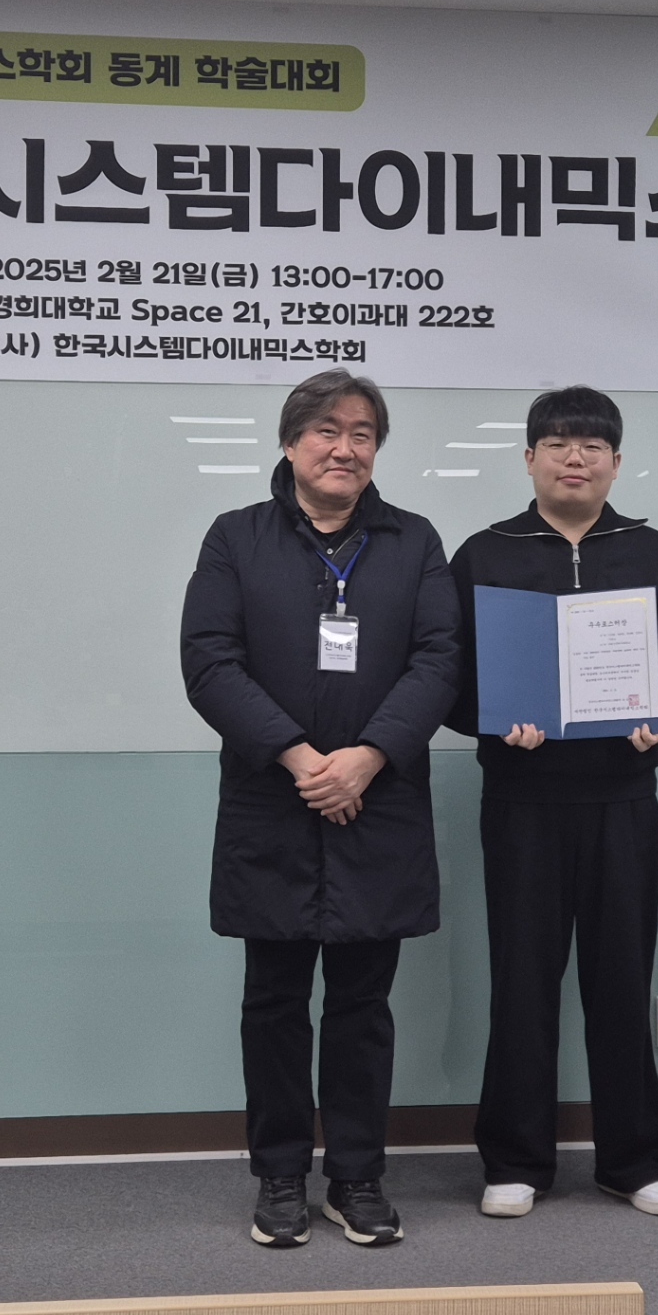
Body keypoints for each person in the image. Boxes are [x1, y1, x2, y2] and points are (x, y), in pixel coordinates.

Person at [179, 368, 460, 1249]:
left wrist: (367, 759)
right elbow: (209, 662)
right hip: (274, 801)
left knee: (363, 1004)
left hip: (380, 802)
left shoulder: (414, 541)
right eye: (327, 431)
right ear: (291, 442)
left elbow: (440, 659)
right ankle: (278, 1175)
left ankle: (357, 1176)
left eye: (363, 434)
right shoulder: (236, 538)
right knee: (273, 1000)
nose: (345, 448)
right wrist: (304, 759)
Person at [447, 385, 658, 1221]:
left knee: (620, 979)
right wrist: (495, 721)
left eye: (593, 446)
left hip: (622, 798)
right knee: (522, 981)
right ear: (529, 458)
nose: (576, 458)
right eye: (559, 444)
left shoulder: (649, 552)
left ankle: (633, 1161)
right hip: (521, 800)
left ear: (616, 462)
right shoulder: (485, 554)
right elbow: (442, 671)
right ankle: (515, 1160)